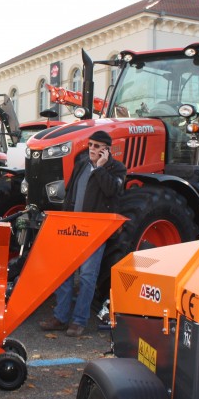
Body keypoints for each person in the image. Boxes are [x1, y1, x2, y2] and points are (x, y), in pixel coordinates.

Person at [39, 129, 127, 336]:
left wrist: (100, 168)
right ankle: (60, 317)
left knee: (87, 276)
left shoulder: (117, 168)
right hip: (72, 228)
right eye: (90, 145)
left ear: (106, 149)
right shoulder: (81, 165)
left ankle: (79, 321)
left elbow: (112, 191)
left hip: (95, 231)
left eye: (96, 146)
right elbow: (70, 194)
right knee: (63, 274)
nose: (92, 149)